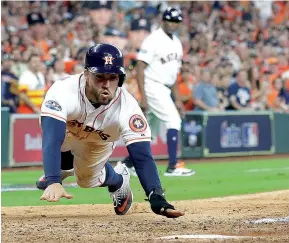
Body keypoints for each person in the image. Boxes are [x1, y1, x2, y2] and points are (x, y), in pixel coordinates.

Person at [35, 44, 184, 218]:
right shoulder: (63, 90)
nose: (106, 84)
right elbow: (52, 138)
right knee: (57, 135)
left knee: (86, 181)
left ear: (120, 78)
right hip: (67, 129)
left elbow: (142, 156)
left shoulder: (128, 108)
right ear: (86, 75)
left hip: (97, 141)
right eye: (100, 77)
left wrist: (156, 196)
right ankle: (63, 167)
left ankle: (119, 181)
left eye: (113, 77)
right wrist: (53, 180)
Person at [121, 7, 195, 177]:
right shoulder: (153, 39)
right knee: (173, 120)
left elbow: (174, 74)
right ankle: (173, 165)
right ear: (163, 20)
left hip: (165, 87)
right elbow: (140, 67)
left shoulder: (176, 42)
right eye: (170, 20)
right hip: (152, 85)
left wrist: (177, 100)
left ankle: (128, 163)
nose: (173, 24)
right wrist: (143, 96)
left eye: (176, 21)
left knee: (149, 134)